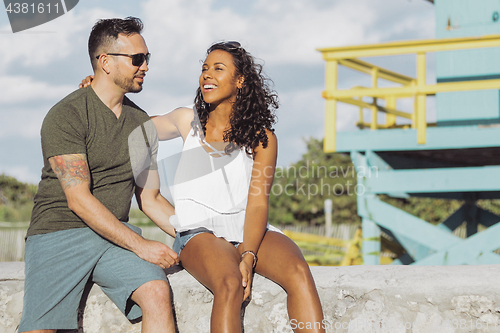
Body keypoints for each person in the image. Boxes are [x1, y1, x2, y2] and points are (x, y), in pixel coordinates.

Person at [18, 17, 178, 333]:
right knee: (40, 329)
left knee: (157, 292)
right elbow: (78, 199)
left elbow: (152, 199)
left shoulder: (141, 123)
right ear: (105, 62)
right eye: (137, 59)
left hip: (113, 236)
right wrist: (141, 245)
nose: (145, 66)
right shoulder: (67, 114)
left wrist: (201, 234)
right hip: (60, 233)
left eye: (147, 58)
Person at [153, 41, 326, 333]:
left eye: (218, 69)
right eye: (204, 69)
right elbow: (133, 126)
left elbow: (258, 202)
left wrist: (249, 255)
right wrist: (102, 93)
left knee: (298, 271)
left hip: (246, 227)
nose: (207, 75)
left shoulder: (263, 138)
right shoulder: (188, 122)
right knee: (230, 284)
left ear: (240, 80)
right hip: (199, 232)